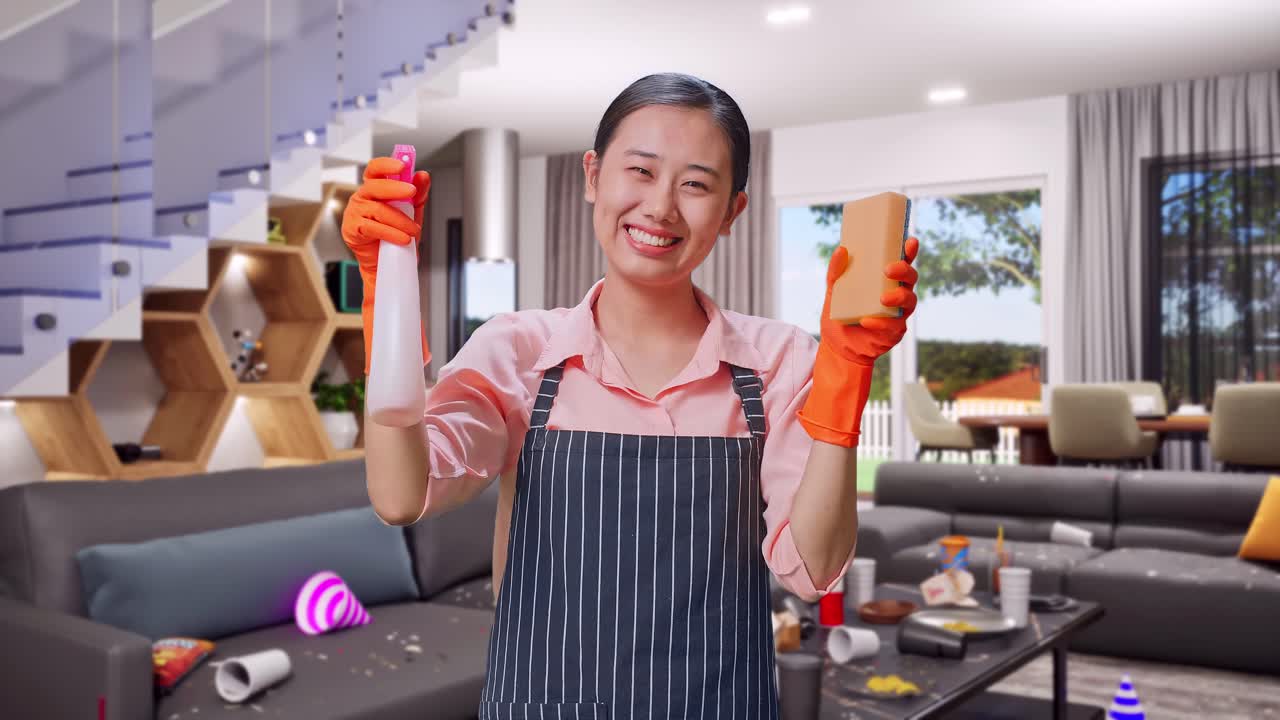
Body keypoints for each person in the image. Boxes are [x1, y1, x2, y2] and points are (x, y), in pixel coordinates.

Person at [341, 72, 919, 719]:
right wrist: (382, 296)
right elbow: (398, 496)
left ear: (733, 211)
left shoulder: (776, 364)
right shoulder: (519, 351)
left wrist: (845, 376)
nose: (661, 207)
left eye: (696, 184)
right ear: (592, 176)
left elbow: (810, 571)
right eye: (640, 171)